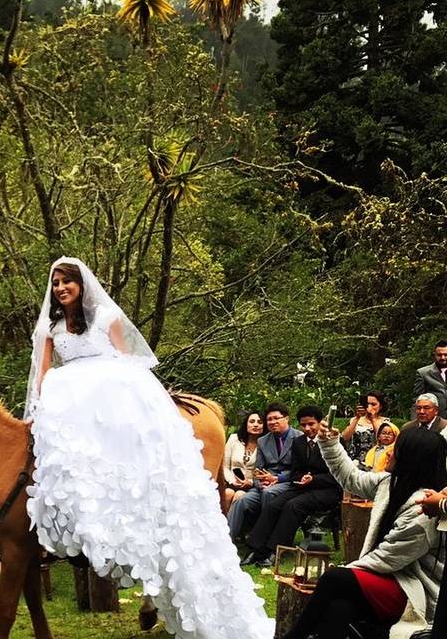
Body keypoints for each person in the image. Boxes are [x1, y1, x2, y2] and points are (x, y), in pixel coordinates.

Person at [25, 257, 272, 639]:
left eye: (66, 281)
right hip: (74, 409)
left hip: (112, 404)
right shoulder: (51, 328)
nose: (59, 288)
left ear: (82, 284)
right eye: (55, 282)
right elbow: (41, 377)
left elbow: (129, 364)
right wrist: (38, 413)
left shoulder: (107, 317)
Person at [283, 422, 447, 639]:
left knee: (334, 580)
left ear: (410, 458)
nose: (387, 453)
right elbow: (352, 478)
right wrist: (330, 442)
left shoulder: (424, 508)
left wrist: (345, 571)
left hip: (413, 591)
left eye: (395, 449)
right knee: (339, 607)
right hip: (385, 579)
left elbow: (387, 559)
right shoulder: (389, 483)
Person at [241, 406, 342, 567]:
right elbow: (294, 472)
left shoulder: (333, 441)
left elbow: (338, 475)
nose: (307, 428)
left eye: (311, 424)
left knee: (293, 506)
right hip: (302, 487)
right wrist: (301, 478)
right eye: (303, 425)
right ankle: (255, 549)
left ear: (320, 422)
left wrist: (313, 479)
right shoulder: (299, 442)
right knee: (273, 504)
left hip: (327, 490)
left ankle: (275, 550)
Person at [227, 402, 303, 539]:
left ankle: (262, 541)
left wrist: (277, 479)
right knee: (241, 500)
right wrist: (259, 482)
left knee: (269, 493)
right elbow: (258, 469)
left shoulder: (299, 437)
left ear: (286, 418)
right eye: (269, 419)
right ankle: (227, 541)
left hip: (287, 482)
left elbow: (300, 470)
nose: (272, 422)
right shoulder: (263, 441)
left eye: (276, 418)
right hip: (264, 484)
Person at [222, 411, 266, 512]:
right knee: (228, 493)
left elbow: (264, 470)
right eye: (252, 421)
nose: (255, 424)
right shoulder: (234, 439)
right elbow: (224, 467)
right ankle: (219, 525)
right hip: (232, 482)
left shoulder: (265, 444)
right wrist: (232, 481)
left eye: (259, 422)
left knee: (239, 495)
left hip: (251, 486)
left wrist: (249, 482)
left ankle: (231, 526)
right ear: (246, 424)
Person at [342, 391, 393, 467]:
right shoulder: (355, 420)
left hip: (376, 461)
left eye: (373, 404)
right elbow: (344, 438)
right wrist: (357, 418)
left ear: (381, 406)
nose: (369, 407)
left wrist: (372, 419)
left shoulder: (386, 422)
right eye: (367, 404)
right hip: (354, 462)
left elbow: (382, 438)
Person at [413, 340, 447, 419]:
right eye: (439, 355)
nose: (443, 358)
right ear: (434, 355)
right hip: (434, 421)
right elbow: (417, 400)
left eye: (446, 355)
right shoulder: (423, 373)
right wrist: (415, 423)